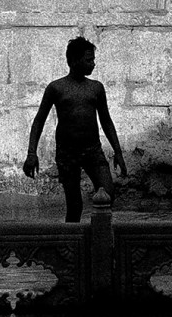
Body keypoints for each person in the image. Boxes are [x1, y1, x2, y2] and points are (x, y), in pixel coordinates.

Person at [23, 37, 126, 222]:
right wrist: (32, 153)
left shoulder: (96, 88)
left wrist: (118, 152)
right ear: (74, 61)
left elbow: (106, 121)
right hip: (67, 153)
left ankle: (98, 233)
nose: (93, 64)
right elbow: (39, 121)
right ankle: (73, 239)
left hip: (93, 150)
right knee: (74, 206)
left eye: (93, 59)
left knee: (108, 193)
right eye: (89, 60)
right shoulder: (56, 88)